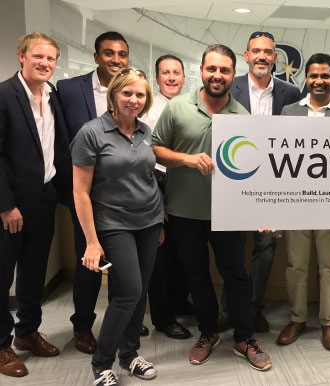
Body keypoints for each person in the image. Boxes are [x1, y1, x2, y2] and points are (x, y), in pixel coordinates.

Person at [152, 44, 272, 371]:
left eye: (224, 70)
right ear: (201, 71)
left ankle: (244, 337)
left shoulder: (242, 116)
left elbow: (253, 166)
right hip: (184, 212)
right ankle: (207, 333)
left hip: (228, 213)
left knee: (236, 276)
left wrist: (261, 210)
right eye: (212, 69)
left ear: (233, 75)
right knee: (196, 275)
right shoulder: (178, 108)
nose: (217, 76)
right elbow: (155, 150)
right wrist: (187, 159)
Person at [57, 31, 150, 354]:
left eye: (122, 54)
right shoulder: (69, 90)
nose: (115, 59)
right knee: (90, 264)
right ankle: (83, 327)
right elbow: (60, 141)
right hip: (86, 197)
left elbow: (147, 151)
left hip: (127, 205)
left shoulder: (140, 119)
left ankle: (121, 323)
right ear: (96, 56)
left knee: (126, 279)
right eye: (108, 53)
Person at [70, 68, 164, 385]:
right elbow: (80, 192)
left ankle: (129, 355)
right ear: (114, 95)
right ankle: (102, 362)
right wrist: (92, 242)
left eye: (140, 95)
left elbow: (149, 178)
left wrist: (159, 218)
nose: (133, 100)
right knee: (128, 292)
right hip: (113, 224)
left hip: (149, 222)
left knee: (140, 293)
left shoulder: (145, 131)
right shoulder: (91, 133)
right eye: (127, 93)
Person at [0, 32, 71, 378]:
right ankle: (1, 346)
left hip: (43, 198)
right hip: (10, 206)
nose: (45, 64)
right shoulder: (3, 95)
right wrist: (5, 205)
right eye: (38, 57)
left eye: (50, 59)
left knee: (33, 270)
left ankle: (27, 332)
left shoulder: (52, 94)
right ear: (21, 56)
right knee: (2, 275)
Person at [276, 53, 330, 351]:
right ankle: (297, 319)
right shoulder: (288, 112)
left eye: (325, 76)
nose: (319, 81)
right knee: (295, 264)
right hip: (296, 202)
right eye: (313, 76)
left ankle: (328, 323)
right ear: (306, 79)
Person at [223, 31, 301, 333]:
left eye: (268, 52)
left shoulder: (290, 93)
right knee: (231, 247)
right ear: (246, 56)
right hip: (233, 179)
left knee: (266, 246)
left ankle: (254, 308)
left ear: (275, 58)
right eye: (256, 51)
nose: (262, 57)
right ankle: (227, 309)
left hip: (272, 183)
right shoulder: (231, 86)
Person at [142, 54, 193, 340]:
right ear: (157, 77)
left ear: (184, 77)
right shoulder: (147, 109)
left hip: (184, 182)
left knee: (182, 252)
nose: (171, 77)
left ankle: (179, 302)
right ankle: (163, 318)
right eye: (165, 73)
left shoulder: (188, 106)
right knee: (159, 255)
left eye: (176, 72)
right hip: (156, 181)